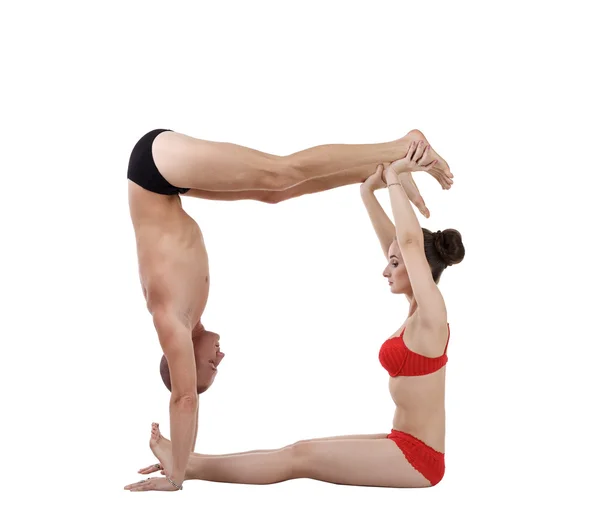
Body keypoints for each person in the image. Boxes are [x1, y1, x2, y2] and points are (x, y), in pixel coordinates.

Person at [125, 141, 464, 492]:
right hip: (412, 449)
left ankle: (402, 146)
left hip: (153, 171)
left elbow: (184, 399)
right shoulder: (423, 310)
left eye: (209, 365)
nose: (220, 357)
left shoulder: (172, 321)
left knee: (279, 175)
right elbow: (402, 248)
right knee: (275, 189)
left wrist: (396, 171)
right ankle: (191, 465)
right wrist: (371, 190)